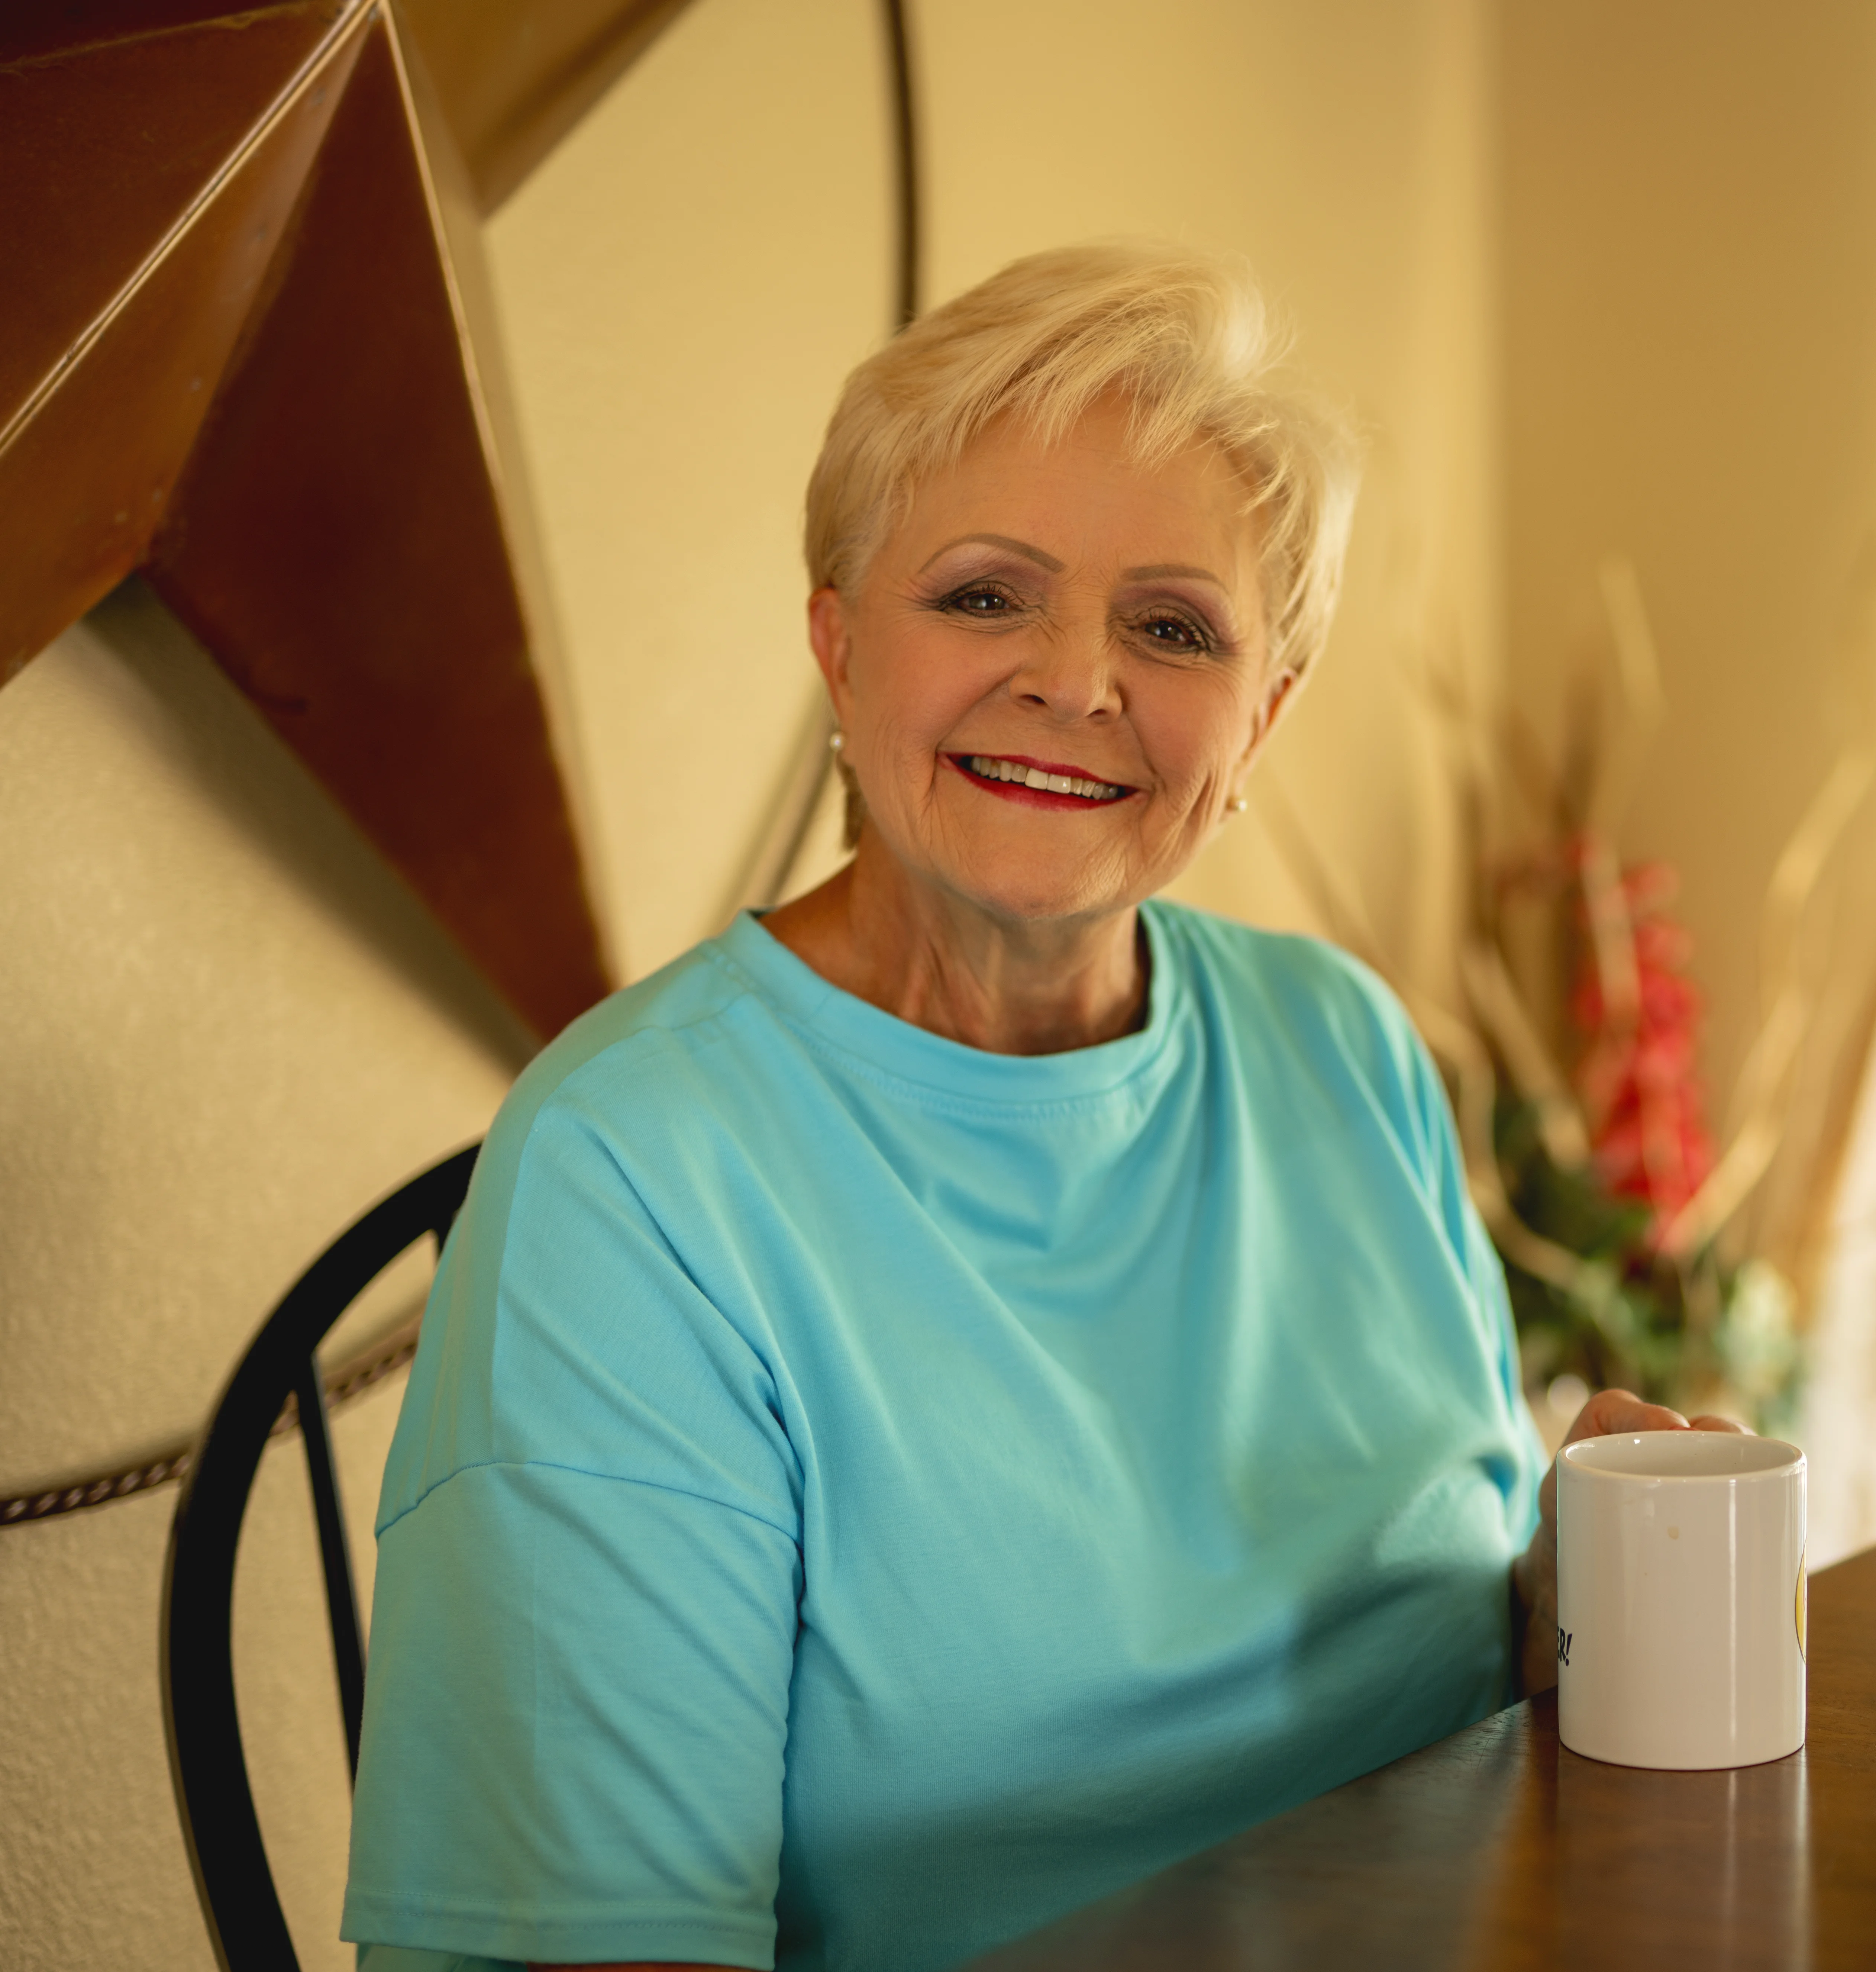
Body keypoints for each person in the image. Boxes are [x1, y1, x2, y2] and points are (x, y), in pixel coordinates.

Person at [339, 242, 1736, 1972]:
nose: (1077, 681)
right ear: (837, 653)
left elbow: (1447, 1704)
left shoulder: (1342, 1047)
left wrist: (1578, 1594)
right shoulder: (634, 1183)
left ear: (1263, 715)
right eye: (984, 595)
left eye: (1173, 627)